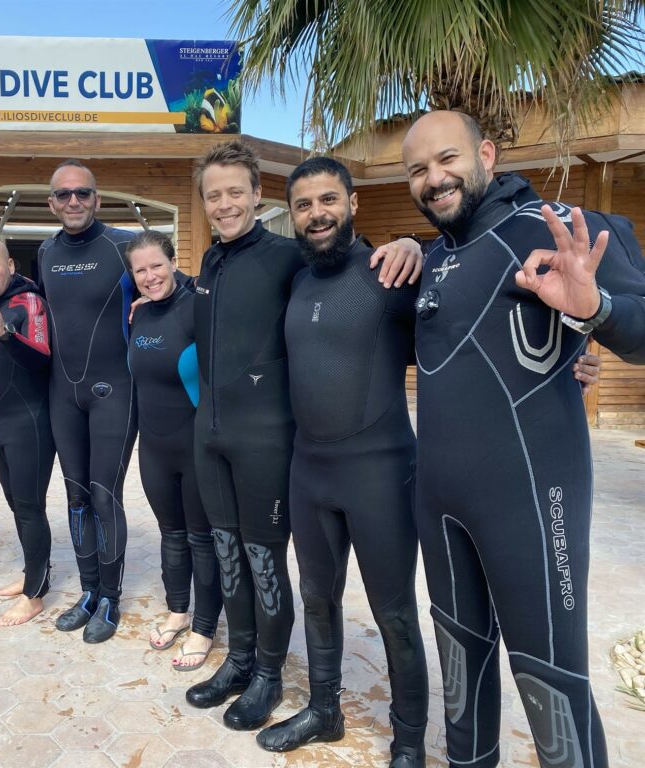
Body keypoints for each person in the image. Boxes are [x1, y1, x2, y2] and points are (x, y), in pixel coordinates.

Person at [401, 109, 645, 768]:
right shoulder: (430, 258)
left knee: (550, 683)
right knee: (460, 668)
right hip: (440, 507)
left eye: (446, 159)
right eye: (418, 169)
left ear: (486, 154)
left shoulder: (557, 230)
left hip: (535, 506)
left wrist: (595, 312)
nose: (434, 178)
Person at [185, 141, 426, 731]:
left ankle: (269, 673)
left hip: (273, 440)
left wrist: (410, 242)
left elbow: (352, 266)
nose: (224, 204)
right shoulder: (210, 265)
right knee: (228, 555)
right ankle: (241, 659)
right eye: (213, 195)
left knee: (267, 562)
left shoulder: (290, 255)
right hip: (212, 438)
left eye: (235, 192)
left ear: (258, 195)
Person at [36, 160, 139, 643]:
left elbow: (169, 287)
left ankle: (112, 598)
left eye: (82, 193)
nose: (73, 201)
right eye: (63, 195)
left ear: (98, 199)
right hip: (64, 393)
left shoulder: (123, 246)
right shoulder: (45, 251)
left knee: (104, 494)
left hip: (114, 389)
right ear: (51, 202)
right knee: (75, 496)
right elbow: (29, 303)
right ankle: (89, 591)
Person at [126, 231, 223, 670]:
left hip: (195, 447)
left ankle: (204, 627)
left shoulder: (197, 308)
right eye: (140, 270)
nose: (150, 276)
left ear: (173, 263)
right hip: (155, 447)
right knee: (171, 535)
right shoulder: (139, 315)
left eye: (156, 266)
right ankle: (178, 610)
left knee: (202, 540)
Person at [0, 239, 54, 627]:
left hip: (30, 422)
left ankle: (35, 595)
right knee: (17, 505)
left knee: (30, 507)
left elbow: (40, 357)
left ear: (11, 264)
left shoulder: (28, 302)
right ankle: (32, 572)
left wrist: (4, 334)